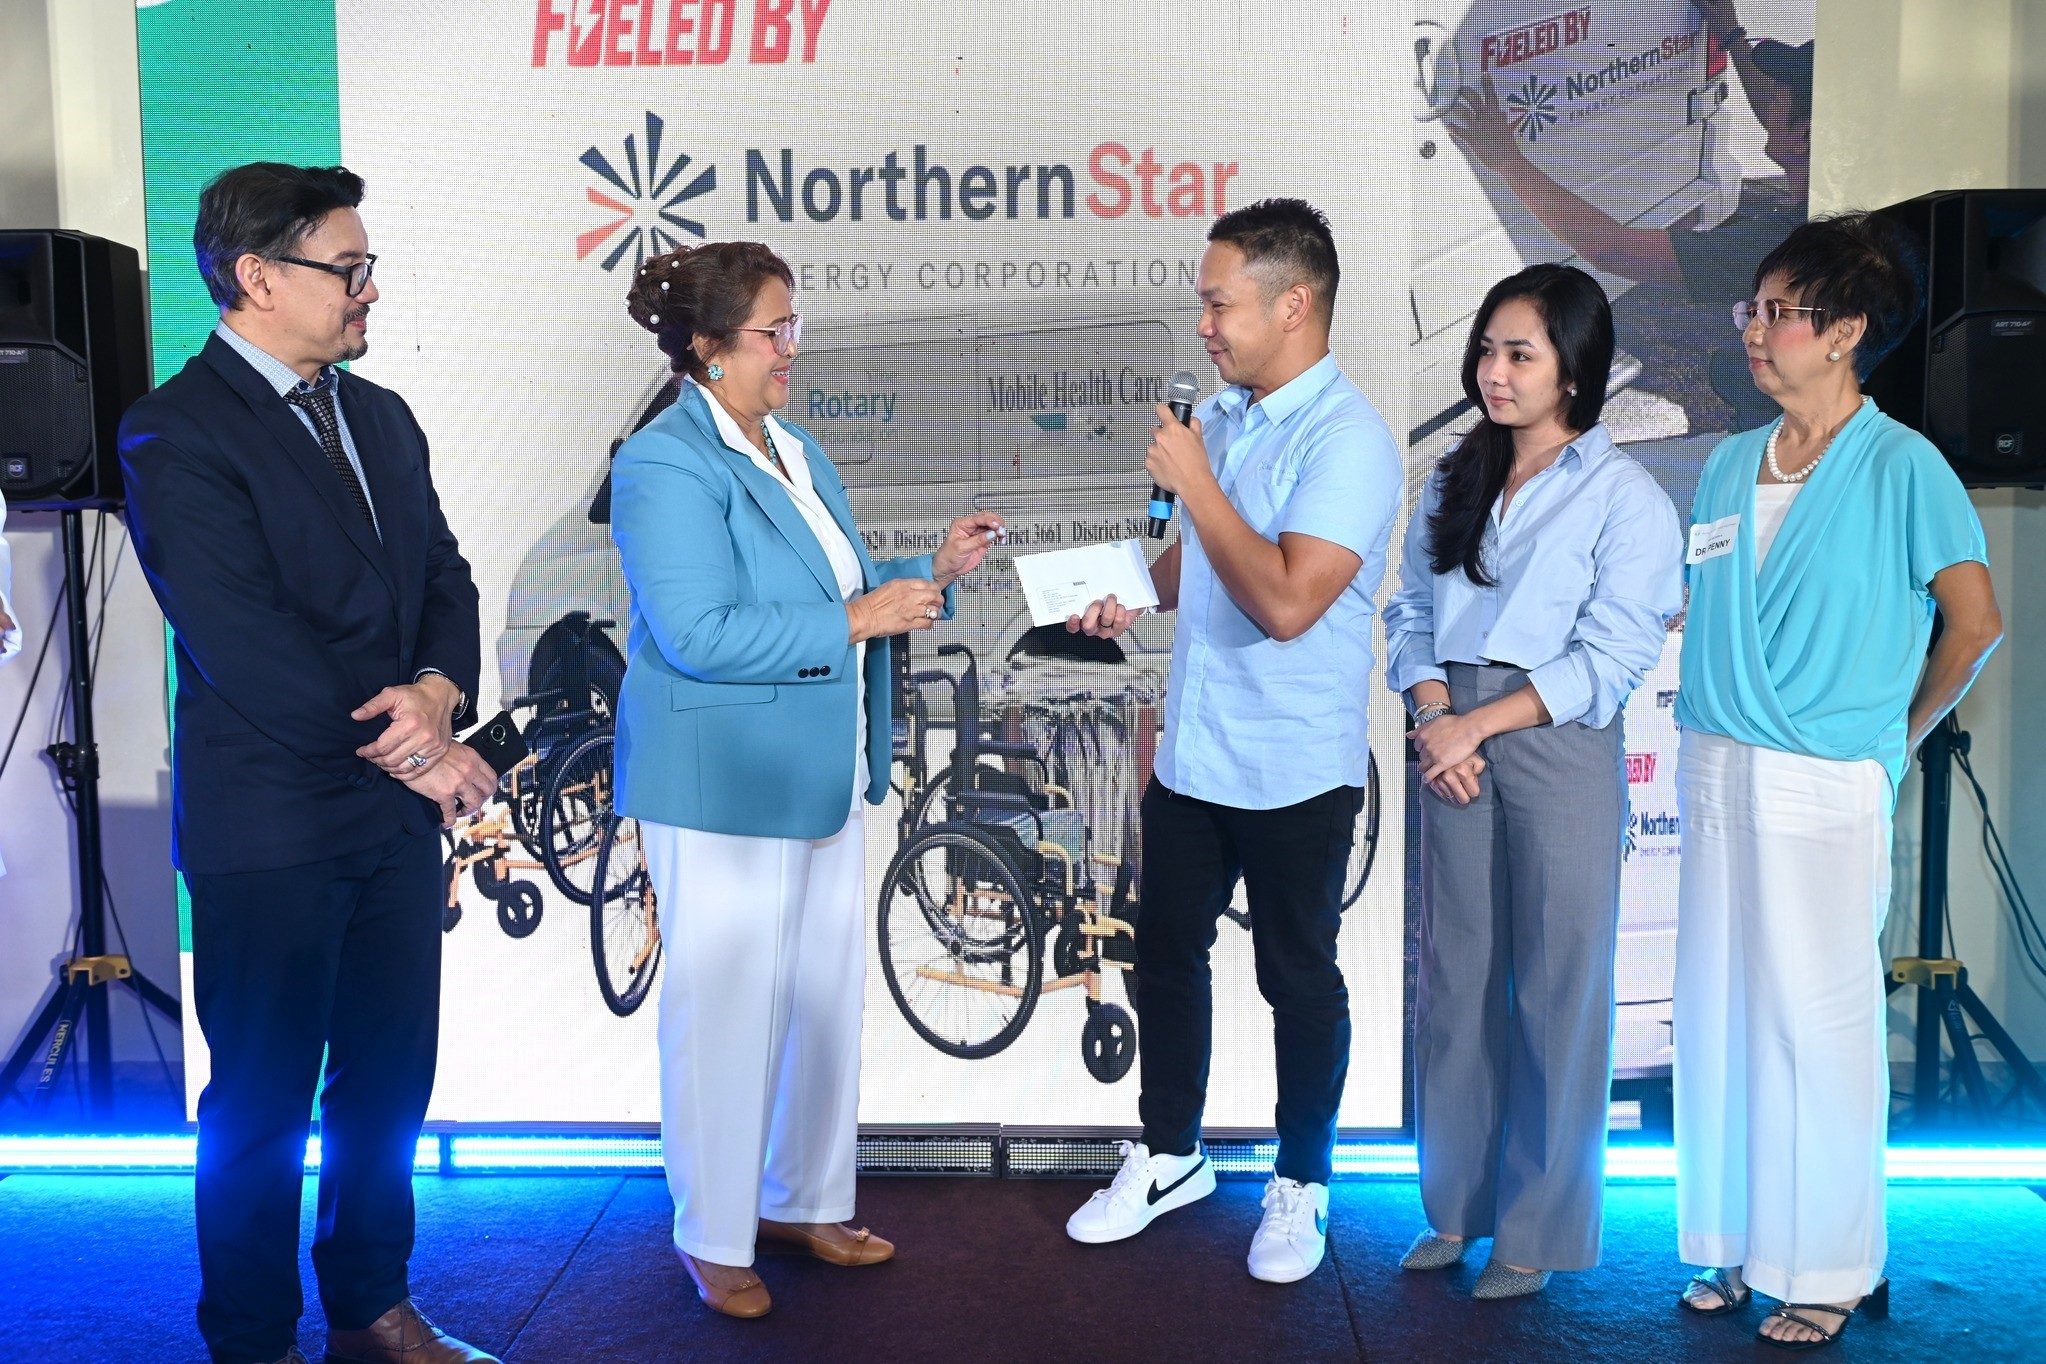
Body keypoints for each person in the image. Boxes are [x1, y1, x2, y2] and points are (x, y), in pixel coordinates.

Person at [119, 163, 498, 1364]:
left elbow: (444, 576)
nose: (368, 290)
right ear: (257, 276)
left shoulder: (380, 415)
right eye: (349, 268)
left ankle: (371, 1304)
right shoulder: (174, 429)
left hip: (389, 827)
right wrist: (421, 757)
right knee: (261, 1102)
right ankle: (252, 1338)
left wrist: (437, 690)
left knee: (388, 1084)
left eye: (366, 267)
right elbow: (246, 644)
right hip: (272, 825)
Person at [609, 240, 1004, 1320]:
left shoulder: (795, 446)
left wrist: (927, 574)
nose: (793, 348)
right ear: (707, 345)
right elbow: (698, 632)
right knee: (724, 1012)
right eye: (773, 330)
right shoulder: (663, 462)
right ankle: (713, 1232)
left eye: (795, 326)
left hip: (819, 774)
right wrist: (861, 614)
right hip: (721, 783)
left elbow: (839, 588)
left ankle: (802, 1199)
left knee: (823, 1003)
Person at [1672, 213, 2002, 1350]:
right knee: (1721, 1008)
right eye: (1752, 310)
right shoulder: (1726, 461)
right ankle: (1731, 1240)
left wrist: (1894, 734)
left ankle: (1826, 1267)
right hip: (1716, 763)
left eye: (1780, 313)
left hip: (1825, 775)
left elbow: (1974, 624)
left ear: (1847, 330)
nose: (1755, 331)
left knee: (1818, 1021)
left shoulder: (1905, 463)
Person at [1060, 198, 1403, 1284]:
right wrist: (1126, 590)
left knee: (1297, 974)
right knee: (1164, 953)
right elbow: (1193, 562)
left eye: (1219, 306)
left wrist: (1197, 480)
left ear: (1293, 304)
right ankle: (1171, 1155)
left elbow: (1289, 599)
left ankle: (1302, 1179)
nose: (1203, 327)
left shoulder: (1349, 439)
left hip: (1294, 766)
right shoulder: (1221, 415)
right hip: (1195, 754)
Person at [1384, 264, 1683, 1298]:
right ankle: (1455, 1208)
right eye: (1487, 350)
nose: (1494, 372)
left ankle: (1537, 1230)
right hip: (1451, 736)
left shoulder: (1625, 496)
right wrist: (1435, 715)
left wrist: (1473, 723)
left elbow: (1613, 655)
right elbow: (1408, 614)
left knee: (1558, 985)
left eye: (1520, 353)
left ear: (1575, 370)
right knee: (1457, 975)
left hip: (1556, 736)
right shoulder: (1452, 478)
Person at [1446, 1, 1814, 431]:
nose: (1768, 96)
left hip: (1782, 425)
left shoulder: (1780, 245)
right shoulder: (1833, 188)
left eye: (1779, 92)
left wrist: (1508, 162)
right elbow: (1782, 116)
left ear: (1803, 135)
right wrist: (1730, 34)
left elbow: (1615, 250)